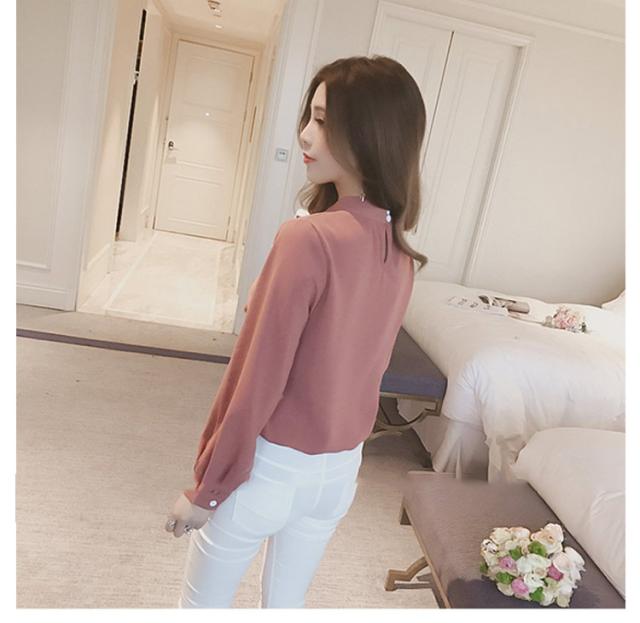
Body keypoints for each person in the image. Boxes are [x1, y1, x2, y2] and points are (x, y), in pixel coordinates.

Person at [165, 54, 428, 608]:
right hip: (338, 475)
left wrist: (207, 488)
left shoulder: (307, 238)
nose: (305, 134)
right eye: (310, 116)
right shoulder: (401, 255)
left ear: (370, 133)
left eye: (324, 121)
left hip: (271, 470)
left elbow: (255, 379)